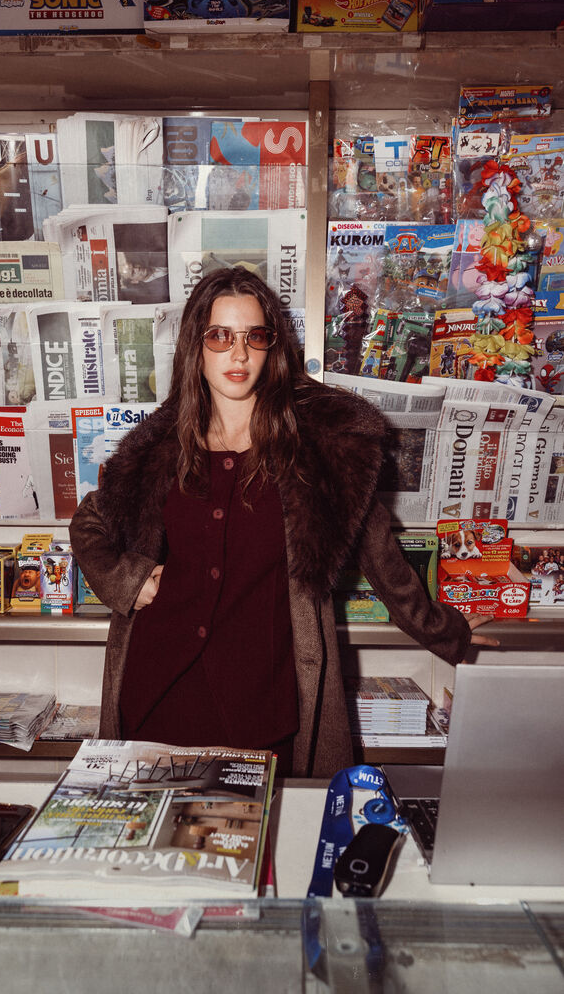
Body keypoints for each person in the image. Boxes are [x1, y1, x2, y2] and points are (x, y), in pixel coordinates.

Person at [70, 267, 498, 778]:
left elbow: (381, 556)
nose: (239, 353)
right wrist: (128, 581)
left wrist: (447, 633)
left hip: (263, 703)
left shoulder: (318, 447)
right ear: (195, 346)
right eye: (219, 336)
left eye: (255, 336)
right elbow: (88, 525)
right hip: (157, 692)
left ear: (273, 347)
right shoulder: (159, 447)